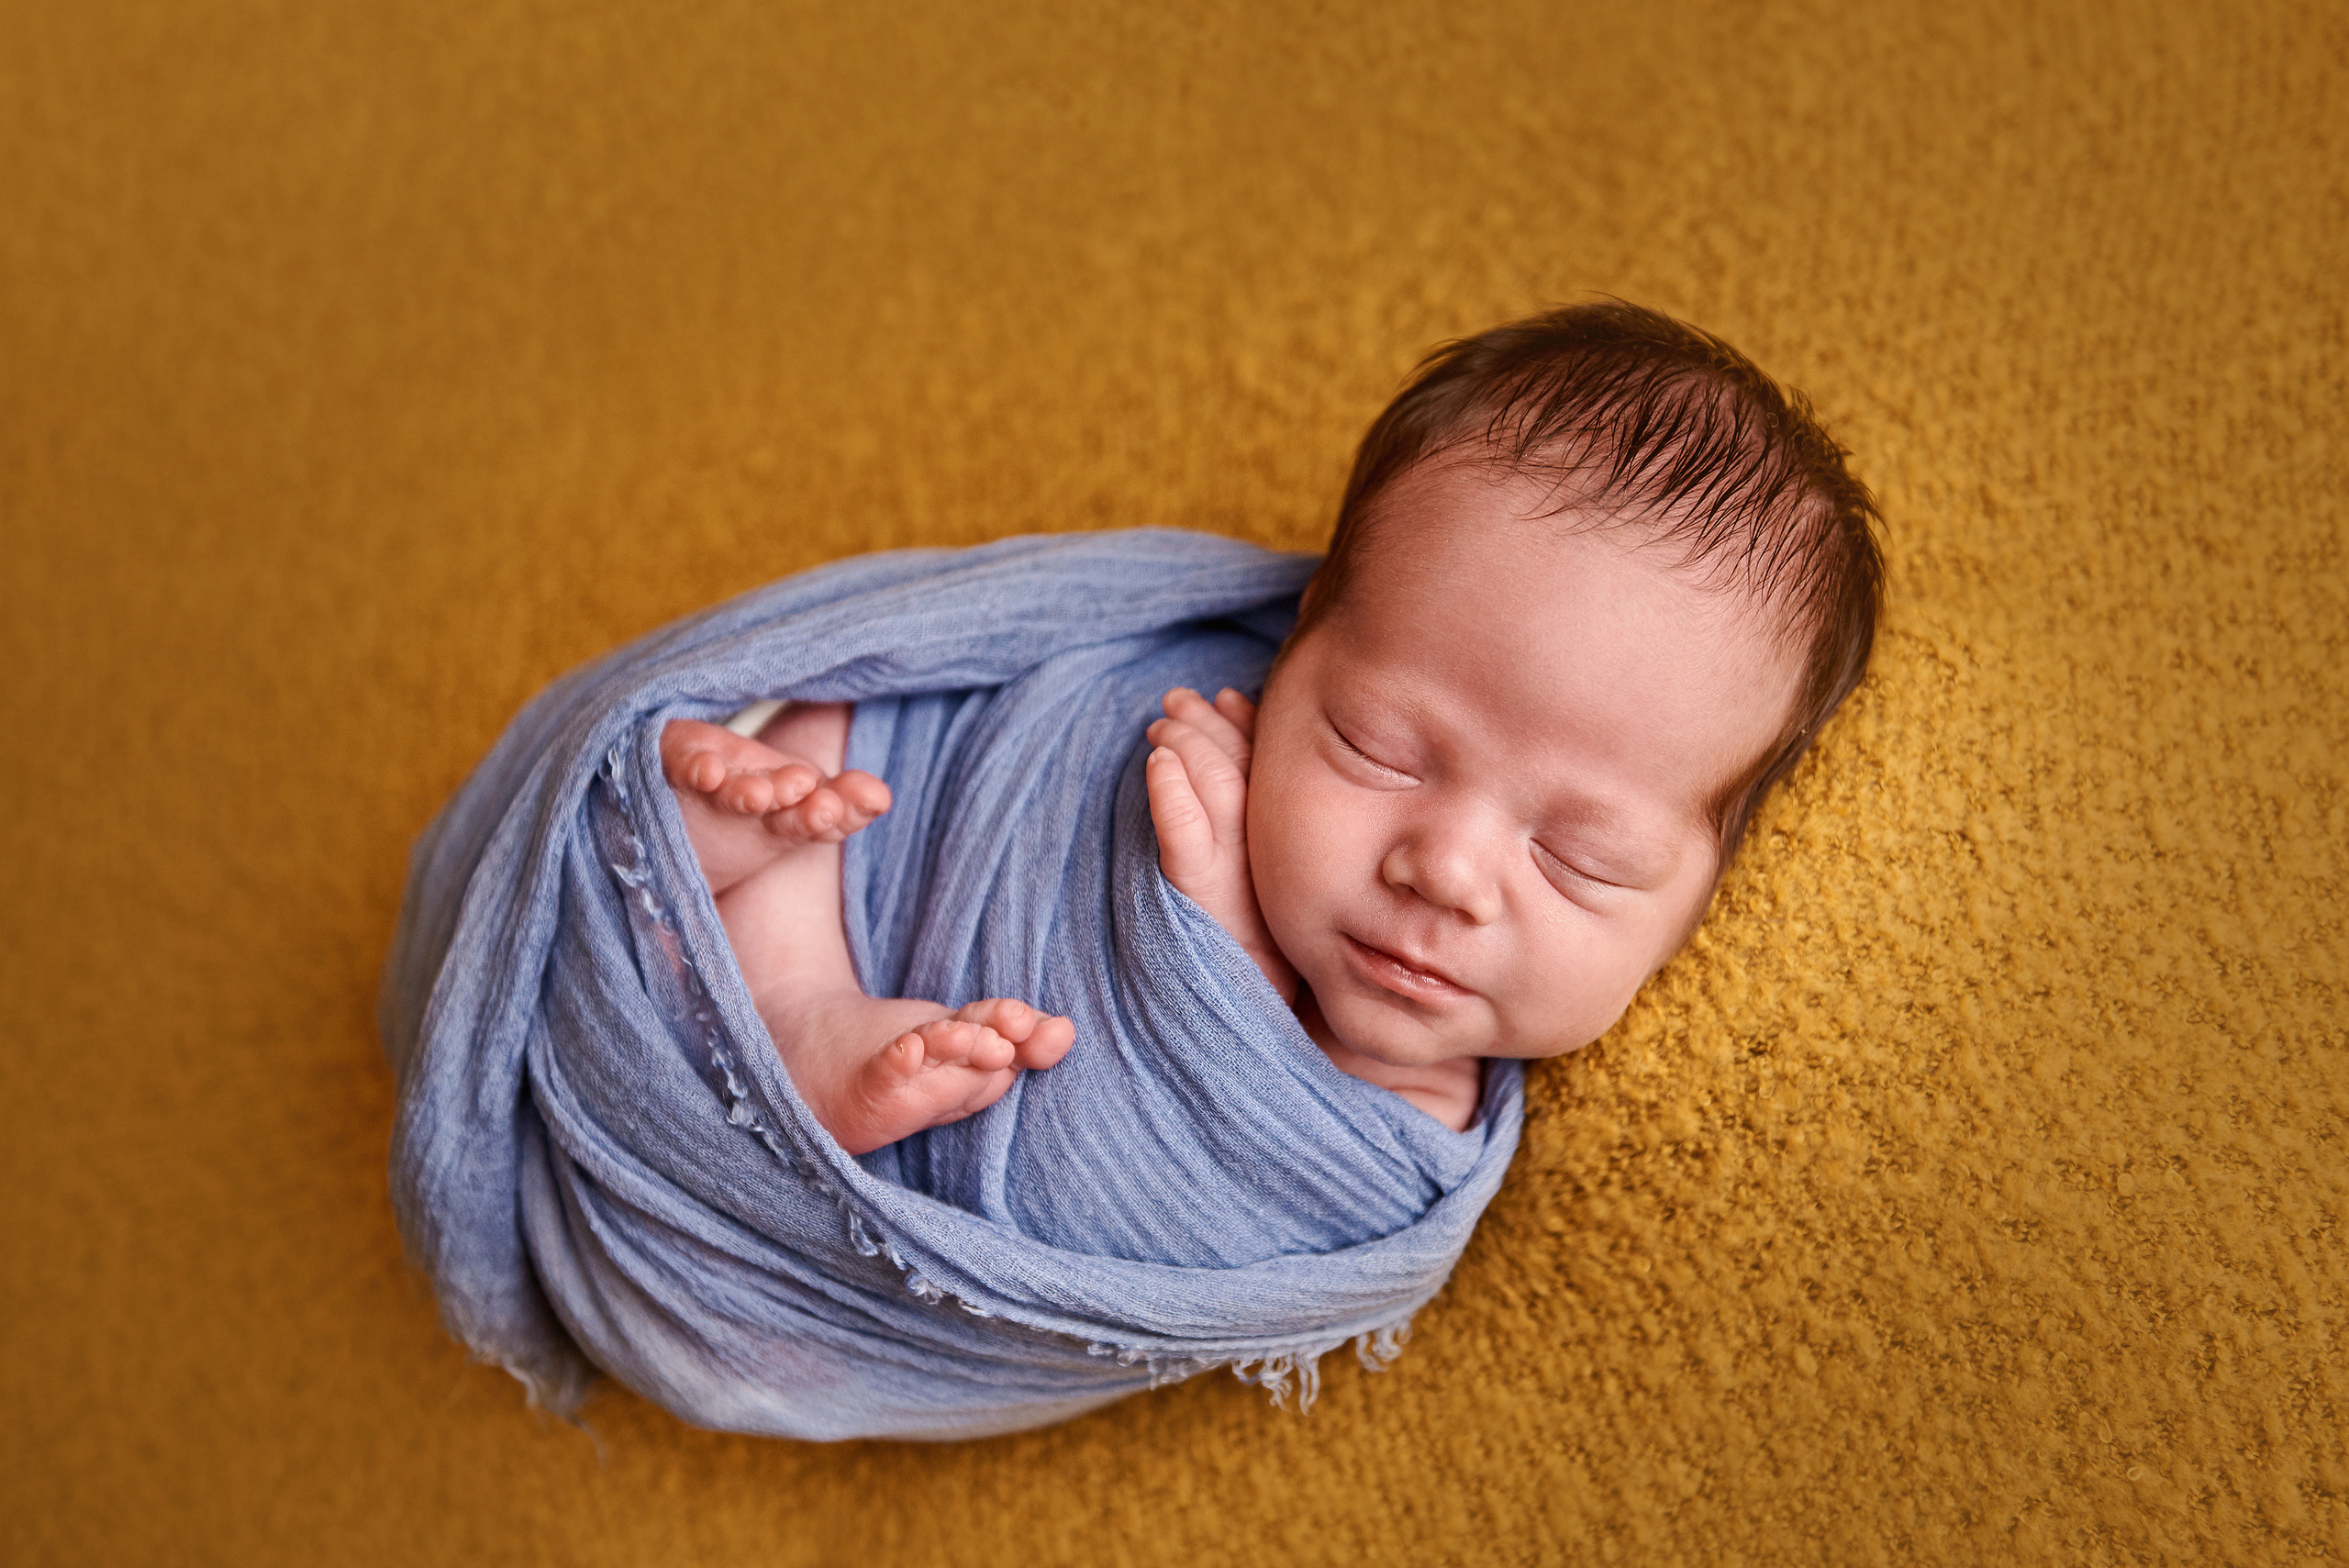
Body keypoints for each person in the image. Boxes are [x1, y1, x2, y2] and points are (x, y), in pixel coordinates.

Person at [657, 299, 1882, 1155]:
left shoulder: (1416, 1119)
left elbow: (1212, 1193)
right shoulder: (1182, 702)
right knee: (845, 723)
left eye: (1581, 854)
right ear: (1296, 643)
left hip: (817, 1273)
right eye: (1378, 744)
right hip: (859, 895)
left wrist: (1229, 953)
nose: (1446, 870)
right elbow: (991, 710)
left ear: (1705, 895)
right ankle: (769, 958)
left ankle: (759, 964)